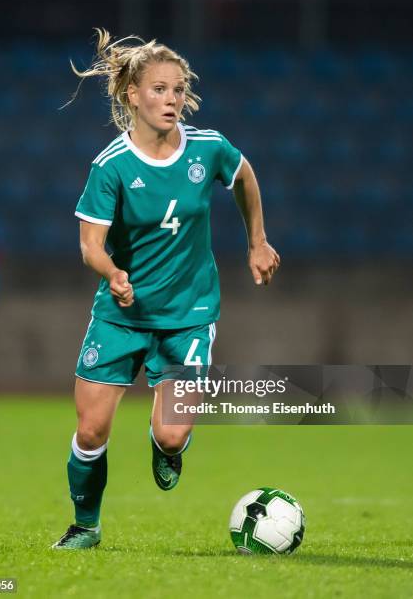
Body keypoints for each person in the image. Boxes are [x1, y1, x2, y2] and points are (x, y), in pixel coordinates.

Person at [52, 29, 280, 549]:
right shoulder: (111, 166)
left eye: (178, 89)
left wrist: (258, 242)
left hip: (189, 313)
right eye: (159, 89)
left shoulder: (208, 148)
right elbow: (91, 245)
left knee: (173, 432)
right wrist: (112, 273)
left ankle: (165, 448)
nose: (172, 99)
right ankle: (86, 526)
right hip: (121, 315)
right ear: (133, 94)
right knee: (90, 433)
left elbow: (244, 175)